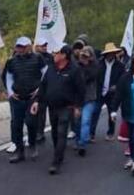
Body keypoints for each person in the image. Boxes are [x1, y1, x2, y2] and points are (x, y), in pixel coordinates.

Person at [30, 45, 84, 175]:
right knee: (54, 133)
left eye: (56, 53)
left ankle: (56, 162)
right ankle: (58, 153)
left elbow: (80, 90)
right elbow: (43, 86)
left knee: (61, 132)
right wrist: (36, 101)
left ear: (64, 55)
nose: (53, 55)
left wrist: (77, 106)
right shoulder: (50, 68)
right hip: (52, 106)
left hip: (67, 107)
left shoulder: (74, 70)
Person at [2, 36, 46, 163]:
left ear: (28, 47)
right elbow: (8, 77)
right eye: (18, 47)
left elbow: (45, 74)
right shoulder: (12, 61)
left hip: (32, 97)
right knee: (16, 125)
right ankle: (19, 151)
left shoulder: (38, 58)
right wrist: (10, 92)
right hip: (17, 97)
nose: (19, 49)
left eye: (22, 47)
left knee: (31, 122)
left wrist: (39, 90)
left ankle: (32, 145)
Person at [92, 43, 126, 142]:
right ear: (105, 54)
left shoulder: (120, 65)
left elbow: (122, 78)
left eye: (113, 53)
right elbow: (95, 77)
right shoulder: (99, 64)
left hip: (112, 94)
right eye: (109, 53)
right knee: (95, 112)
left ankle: (110, 132)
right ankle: (91, 133)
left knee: (112, 114)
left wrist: (117, 86)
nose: (111, 55)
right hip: (100, 92)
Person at [74, 46, 99, 156]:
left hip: (89, 98)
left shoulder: (94, 67)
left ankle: (82, 144)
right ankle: (78, 140)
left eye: (86, 55)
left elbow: (88, 77)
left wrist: (87, 64)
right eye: (82, 55)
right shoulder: (75, 67)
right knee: (77, 122)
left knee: (85, 120)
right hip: (77, 99)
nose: (84, 57)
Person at [33, 40, 52, 144]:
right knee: (37, 111)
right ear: (36, 46)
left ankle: (40, 132)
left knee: (43, 111)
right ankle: (36, 132)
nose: (44, 47)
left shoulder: (50, 57)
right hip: (34, 86)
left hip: (47, 86)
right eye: (42, 45)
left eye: (45, 45)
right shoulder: (33, 57)